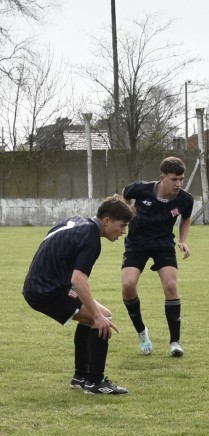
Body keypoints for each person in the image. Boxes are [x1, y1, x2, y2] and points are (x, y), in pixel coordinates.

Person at [23, 195, 134, 395]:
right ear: (107, 221)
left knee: (101, 315)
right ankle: (95, 382)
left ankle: (81, 376)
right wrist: (97, 317)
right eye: (122, 225)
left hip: (40, 284)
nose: (123, 232)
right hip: (46, 290)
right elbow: (78, 280)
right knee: (102, 318)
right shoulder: (91, 238)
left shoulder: (77, 222)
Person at [121, 156, 194, 357]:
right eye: (174, 179)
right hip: (137, 244)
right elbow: (125, 194)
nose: (178, 184)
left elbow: (186, 217)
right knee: (128, 285)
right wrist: (128, 212)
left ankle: (175, 342)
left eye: (181, 179)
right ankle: (142, 332)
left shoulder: (185, 199)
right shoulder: (141, 189)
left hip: (163, 244)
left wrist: (183, 240)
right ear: (162, 177)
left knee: (171, 285)